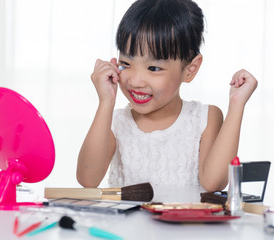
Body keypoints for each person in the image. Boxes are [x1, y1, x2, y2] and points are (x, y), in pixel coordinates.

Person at [76, 0, 258, 192]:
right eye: (126, 63)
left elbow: (214, 182)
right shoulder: (116, 122)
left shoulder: (205, 118)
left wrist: (237, 104)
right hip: (125, 223)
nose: (136, 81)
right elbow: (88, 180)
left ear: (190, 69)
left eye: (153, 68)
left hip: (186, 223)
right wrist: (106, 102)